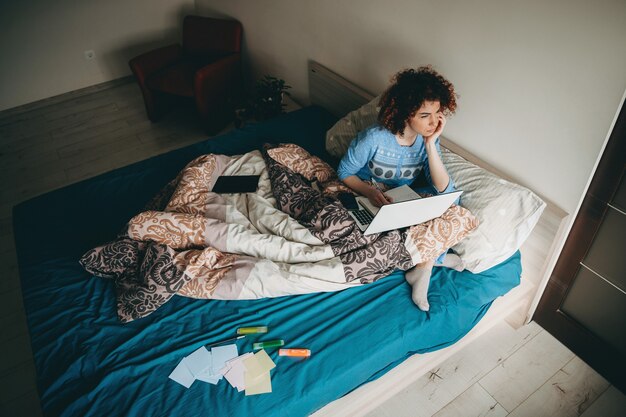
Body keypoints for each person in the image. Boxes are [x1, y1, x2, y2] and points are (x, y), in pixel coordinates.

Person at [337, 66, 463, 311]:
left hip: (402, 199)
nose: (434, 121)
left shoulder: (427, 139)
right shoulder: (374, 138)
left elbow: (445, 190)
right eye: (425, 115)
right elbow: (344, 172)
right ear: (406, 113)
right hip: (371, 193)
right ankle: (433, 259)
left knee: (454, 206)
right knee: (366, 238)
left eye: (438, 113)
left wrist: (430, 145)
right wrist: (368, 192)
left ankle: (424, 268)